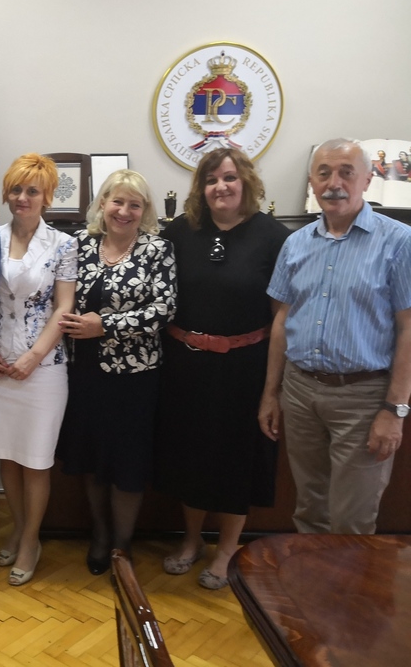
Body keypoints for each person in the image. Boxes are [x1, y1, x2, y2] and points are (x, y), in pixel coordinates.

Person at [258, 138, 411, 534]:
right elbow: (282, 321)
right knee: (309, 510)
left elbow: (408, 328)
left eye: (346, 173)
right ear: (312, 182)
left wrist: (395, 410)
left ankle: (347, 580)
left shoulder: (398, 242)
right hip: (300, 392)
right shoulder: (295, 243)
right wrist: (271, 393)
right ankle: (313, 577)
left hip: (363, 398)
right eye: (323, 173)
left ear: (367, 180)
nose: (334, 183)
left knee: (351, 522)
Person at [155, 148, 289, 589]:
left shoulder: (273, 237)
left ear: (246, 181)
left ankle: (227, 549)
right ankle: (192, 540)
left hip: (245, 369)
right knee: (189, 456)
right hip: (186, 366)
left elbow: (281, 317)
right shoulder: (180, 231)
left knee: (235, 461)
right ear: (201, 188)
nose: (221, 187)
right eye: (211, 180)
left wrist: (272, 390)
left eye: (229, 177)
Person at [58, 169, 176, 574]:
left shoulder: (157, 249)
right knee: (92, 460)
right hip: (84, 374)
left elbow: (164, 310)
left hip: (135, 379)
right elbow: (60, 297)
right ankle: (100, 534)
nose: (124, 211)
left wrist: (105, 325)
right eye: (117, 201)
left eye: (134, 204)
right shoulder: (80, 244)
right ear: (103, 203)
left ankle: (122, 545)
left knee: (127, 465)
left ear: (145, 211)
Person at [0, 153, 77, 586]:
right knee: (8, 458)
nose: (23, 197)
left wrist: (34, 356)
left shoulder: (63, 244)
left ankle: (31, 540)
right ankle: (19, 528)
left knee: (35, 461)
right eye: (16, 189)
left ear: (47, 196)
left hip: (44, 369)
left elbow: (64, 307)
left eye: (32, 191)